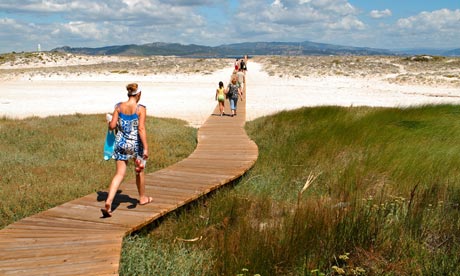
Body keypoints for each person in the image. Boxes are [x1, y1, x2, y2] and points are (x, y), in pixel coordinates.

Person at [101, 83, 152, 217]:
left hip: (121, 144)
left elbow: (112, 126)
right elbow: (141, 129)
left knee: (119, 174)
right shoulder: (140, 109)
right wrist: (146, 148)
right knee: (139, 171)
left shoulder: (118, 107)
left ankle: (108, 202)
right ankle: (142, 198)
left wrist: (109, 122)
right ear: (139, 94)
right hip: (135, 145)